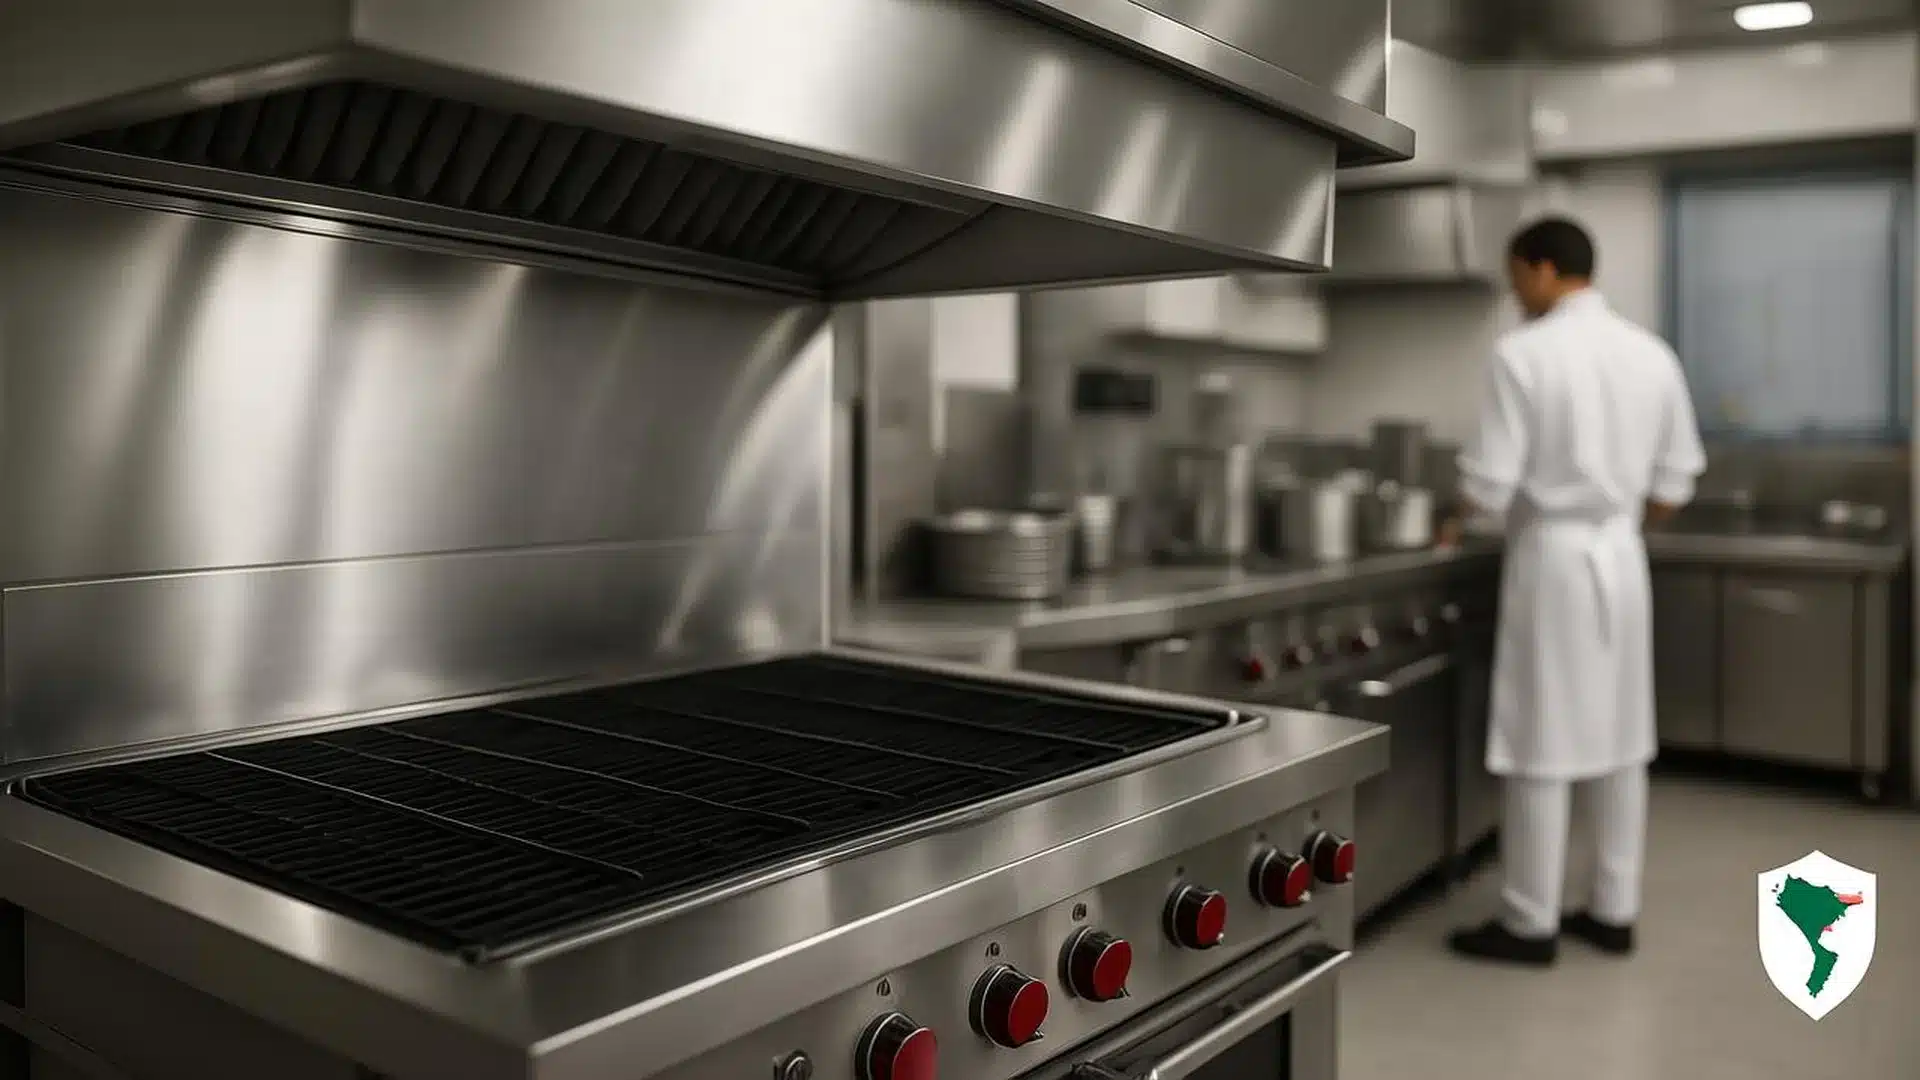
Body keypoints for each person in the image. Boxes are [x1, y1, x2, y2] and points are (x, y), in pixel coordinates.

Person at [1440, 217, 1706, 966]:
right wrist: (1619, 524)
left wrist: (1453, 518)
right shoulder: (1651, 353)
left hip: (1553, 562)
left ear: (1543, 269)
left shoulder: (1523, 353)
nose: (1515, 293)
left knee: (1540, 739)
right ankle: (1614, 911)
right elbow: (1675, 483)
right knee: (1624, 740)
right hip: (1622, 557)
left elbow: (1489, 486)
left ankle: (1530, 922)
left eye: (1516, 277)